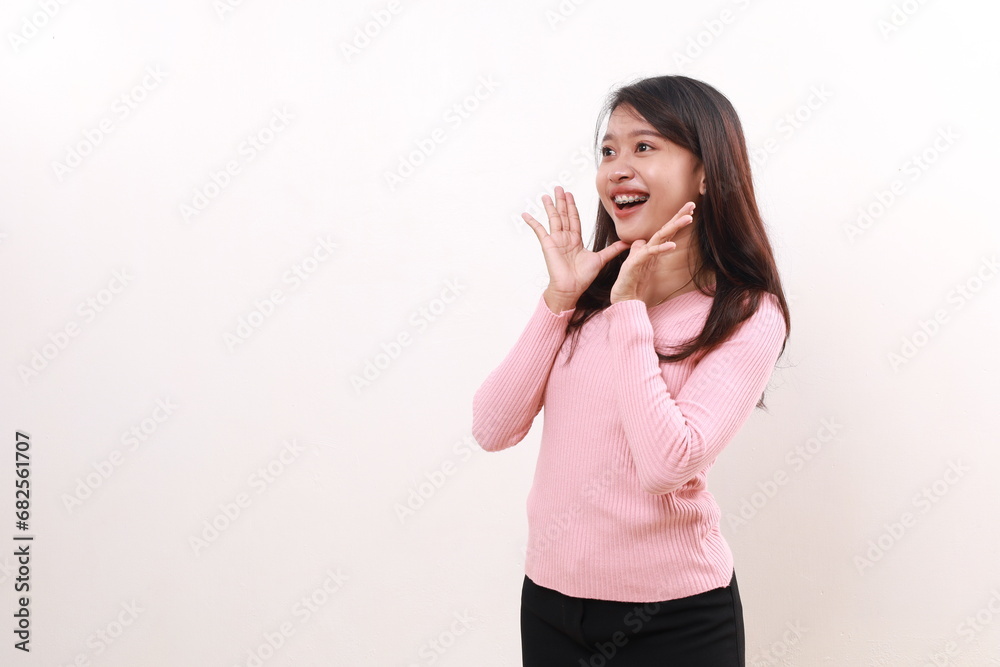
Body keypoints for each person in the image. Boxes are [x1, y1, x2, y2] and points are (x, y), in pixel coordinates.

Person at [471, 75, 791, 666]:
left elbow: (667, 465)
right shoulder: (582, 302)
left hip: (675, 620)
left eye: (644, 147)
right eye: (608, 151)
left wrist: (629, 312)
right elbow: (492, 428)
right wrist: (559, 300)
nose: (617, 169)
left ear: (705, 173)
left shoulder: (745, 312)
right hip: (549, 604)